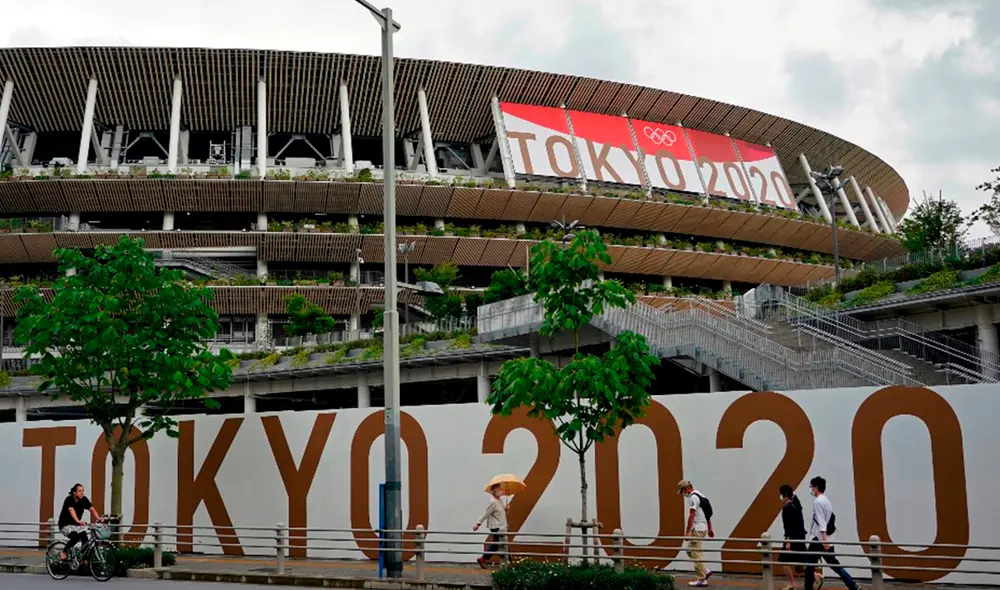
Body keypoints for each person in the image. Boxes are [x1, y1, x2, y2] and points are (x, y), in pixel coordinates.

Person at [804, 476, 859, 590]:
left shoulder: (818, 502)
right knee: (834, 564)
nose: (810, 489)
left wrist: (824, 540)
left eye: (811, 486)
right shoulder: (826, 501)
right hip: (827, 539)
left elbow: (821, 521)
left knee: (810, 565)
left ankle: (808, 588)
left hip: (818, 539)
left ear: (816, 487)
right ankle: (852, 585)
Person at [677, 479, 714, 587]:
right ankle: (705, 571)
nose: (683, 494)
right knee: (690, 551)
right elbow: (707, 514)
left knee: (695, 553)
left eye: (682, 491)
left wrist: (687, 531)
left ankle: (702, 579)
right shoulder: (701, 495)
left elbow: (691, 515)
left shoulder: (693, 497)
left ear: (685, 489)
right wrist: (710, 528)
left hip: (697, 529)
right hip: (702, 528)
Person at [57, 483, 102, 561]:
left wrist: (98, 518)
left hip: (76, 525)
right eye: (80, 491)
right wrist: (78, 521)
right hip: (65, 525)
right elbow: (71, 510)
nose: (82, 493)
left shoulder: (84, 499)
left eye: (83, 491)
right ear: (74, 492)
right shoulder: (69, 499)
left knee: (85, 537)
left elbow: (91, 509)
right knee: (75, 537)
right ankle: (64, 552)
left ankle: (83, 560)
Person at [779, 484, 807, 590]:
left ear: (785, 495)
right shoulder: (796, 505)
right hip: (800, 536)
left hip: (792, 538)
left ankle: (792, 583)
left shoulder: (787, 508)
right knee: (800, 563)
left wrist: (788, 541)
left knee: (783, 560)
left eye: (781, 494)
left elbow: (788, 526)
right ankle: (816, 575)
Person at [472, 484, 508, 569]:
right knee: (498, 544)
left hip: (502, 526)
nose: (501, 490)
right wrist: (478, 523)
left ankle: (484, 559)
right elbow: (486, 513)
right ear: (495, 491)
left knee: (500, 544)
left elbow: (501, 514)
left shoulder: (500, 501)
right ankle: (483, 559)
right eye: (499, 489)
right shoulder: (493, 502)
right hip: (496, 526)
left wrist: (506, 509)